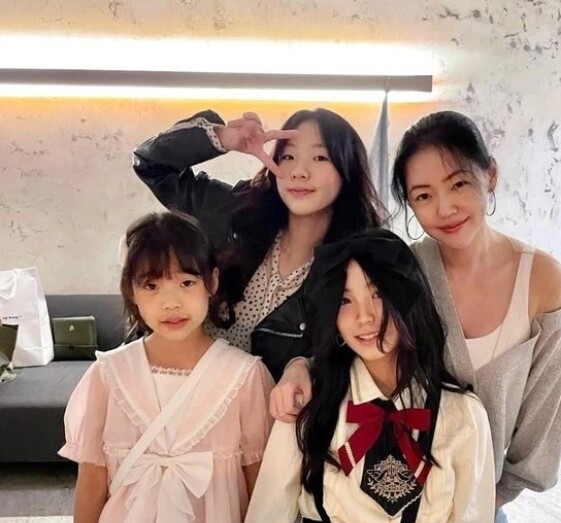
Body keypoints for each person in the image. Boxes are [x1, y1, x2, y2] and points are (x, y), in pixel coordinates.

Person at [271, 111, 561, 523]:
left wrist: (469, 506)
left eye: (459, 185)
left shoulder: (541, 277)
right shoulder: (406, 270)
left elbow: (545, 409)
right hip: (383, 481)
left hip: (481, 492)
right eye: (423, 196)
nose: (444, 208)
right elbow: (351, 335)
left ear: (489, 175)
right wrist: (300, 364)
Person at [234, 229, 495, 523]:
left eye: (377, 293)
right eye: (345, 300)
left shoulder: (461, 417)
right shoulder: (310, 401)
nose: (365, 317)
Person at [60, 212, 274, 523]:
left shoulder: (244, 378)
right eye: (152, 285)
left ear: (212, 282)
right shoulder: (109, 376)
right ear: (132, 292)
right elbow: (89, 492)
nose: (171, 302)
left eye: (186, 282)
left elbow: (263, 500)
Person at [133, 108, 384, 380]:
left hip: (263, 405)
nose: (299, 172)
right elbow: (150, 164)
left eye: (320, 157)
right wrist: (224, 138)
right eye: (288, 157)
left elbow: (358, 356)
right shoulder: (235, 216)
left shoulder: (356, 266)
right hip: (164, 385)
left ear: (347, 170)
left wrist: (304, 366)